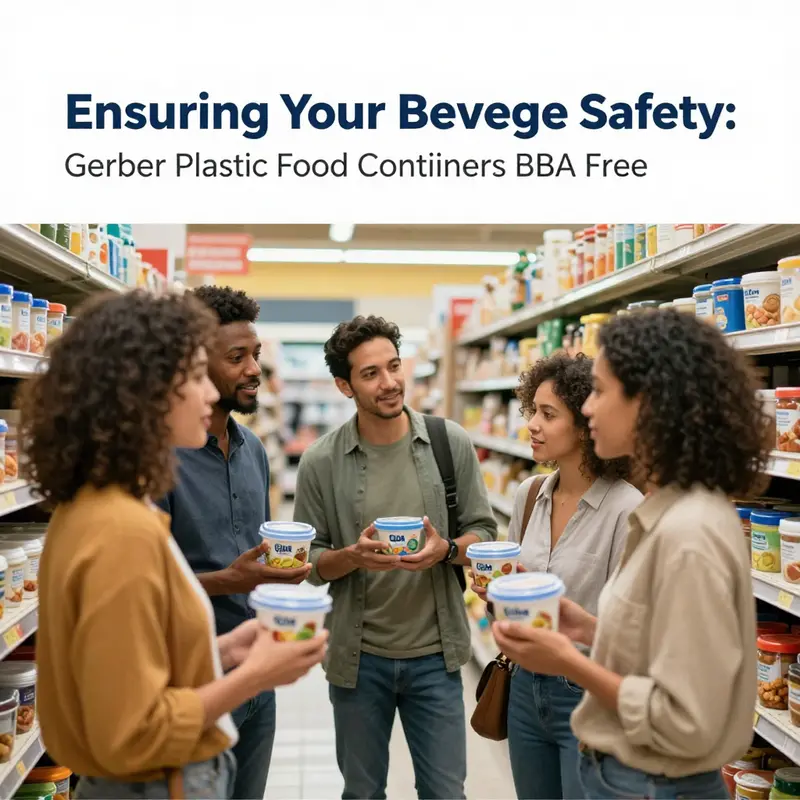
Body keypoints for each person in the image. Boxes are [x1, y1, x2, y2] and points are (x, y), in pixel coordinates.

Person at [22, 290, 327, 799]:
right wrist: (254, 675)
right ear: (145, 393)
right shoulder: (122, 531)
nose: (208, 395)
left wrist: (225, 648)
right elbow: (135, 731)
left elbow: (124, 668)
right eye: (192, 377)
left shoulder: (91, 505)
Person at [492, 310, 769, 800]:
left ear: (649, 404)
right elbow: (665, 655)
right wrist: (587, 630)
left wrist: (569, 662)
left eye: (599, 391)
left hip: (654, 786)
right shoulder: (671, 513)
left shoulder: (688, 534)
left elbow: (685, 719)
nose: (589, 409)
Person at [293, 315, 498, 800]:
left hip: (437, 656)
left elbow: (483, 534)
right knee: (362, 792)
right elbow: (310, 565)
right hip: (358, 660)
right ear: (345, 385)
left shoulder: (450, 444)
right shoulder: (321, 462)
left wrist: (445, 551)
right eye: (370, 374)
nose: (389, 383)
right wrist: (353, 556)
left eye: (394, 366)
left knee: (446, 792)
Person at [156, 285, 309, 800]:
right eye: (236, 357)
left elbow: (256, 558)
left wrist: (277, 583)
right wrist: (233, 579)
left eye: (256, 355)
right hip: (189, 678)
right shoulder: (160, 462)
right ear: (195, 369)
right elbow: (149, 593)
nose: (252, 370)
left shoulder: (254, 452)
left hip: (255, 673)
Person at [470, 353, 641, 799]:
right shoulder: (529, 496)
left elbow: (631, 633)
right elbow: (509, 602)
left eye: (548, 414)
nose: (532, 425)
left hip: (586, 690)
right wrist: (494, 595)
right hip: (524, 687)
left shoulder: (627, 510)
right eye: (532, 411)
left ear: (585, 424)